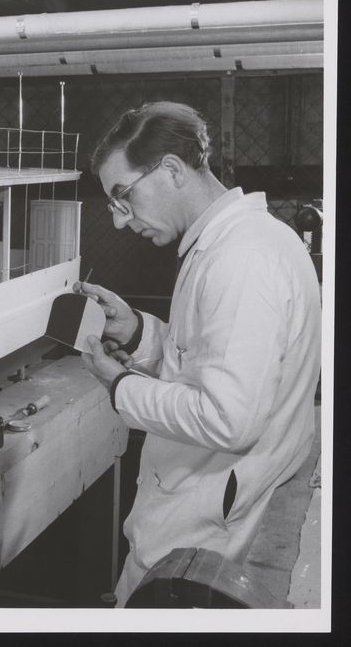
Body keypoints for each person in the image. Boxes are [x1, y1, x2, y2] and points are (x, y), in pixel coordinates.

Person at [74, 101, 321, 607]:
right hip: (208, 502)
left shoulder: (240, 260)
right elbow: (210, 358)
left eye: (123, 196)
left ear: (170, 169)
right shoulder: (238, 241)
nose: (118, 221)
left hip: (201, 530)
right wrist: (138, 332)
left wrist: (120, 386)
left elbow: (227, 419)